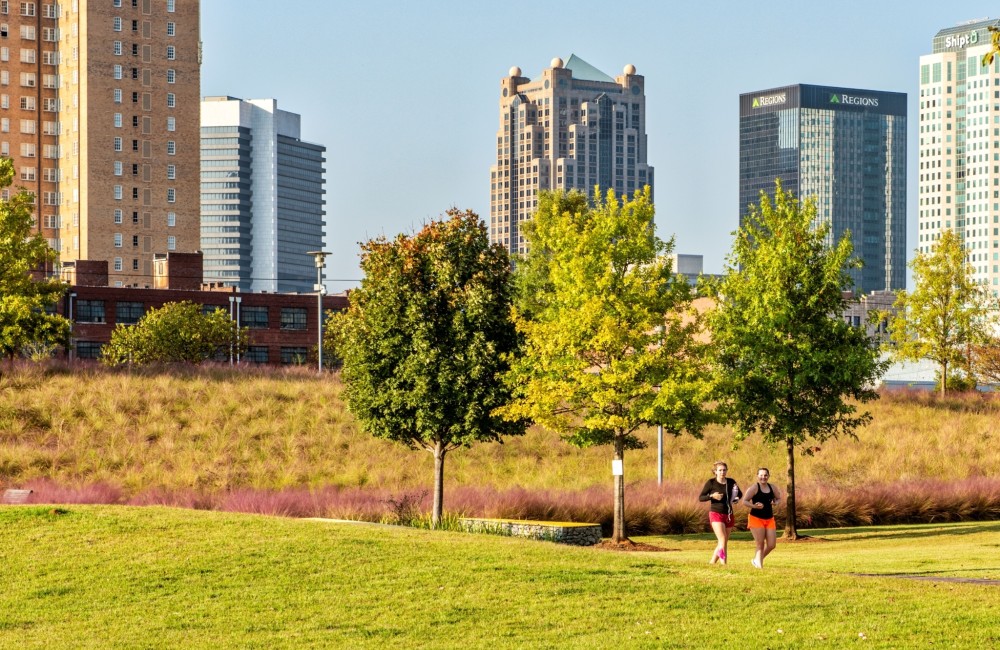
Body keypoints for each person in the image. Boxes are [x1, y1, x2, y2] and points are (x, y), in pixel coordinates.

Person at [698, 461, 741, 565]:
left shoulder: (731, 482)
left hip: (729, 514)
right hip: (716, 513)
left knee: (724, 541)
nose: (722, 472)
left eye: (724, 470)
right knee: (722, 538)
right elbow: (701, 497)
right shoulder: (711, 483)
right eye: (720, 470)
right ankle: (724, 564)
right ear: (715, 472)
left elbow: (739, 493)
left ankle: (712, 562)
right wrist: (712, 496)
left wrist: (736, 498)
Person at [742, 467, 782, 569]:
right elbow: (745, 501)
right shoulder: (754, 488)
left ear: (768, 476)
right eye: (761, 475)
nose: (763, 477)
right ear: (757, 476)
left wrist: (775, 503)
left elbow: (778, 498)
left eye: (765, 475)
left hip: (769, 518)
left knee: (772, 545)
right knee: (760, 544)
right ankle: (760, 567)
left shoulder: (772, 487)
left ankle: (756, 560)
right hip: (756, 518)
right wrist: (754, 506)